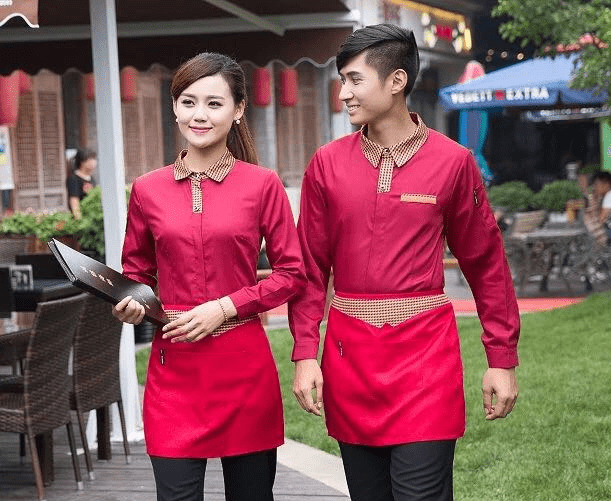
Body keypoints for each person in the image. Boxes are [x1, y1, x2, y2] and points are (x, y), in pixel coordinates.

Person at [288, 24, 520, 501]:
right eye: (342, 80)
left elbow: (486, 265)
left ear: (396, 81)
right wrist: (306, 352)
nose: (343, 93)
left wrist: (501, 359)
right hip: (350, 363)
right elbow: (309, 268)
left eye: (354, 80)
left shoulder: (453, 162)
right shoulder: (326, 164)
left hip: (426, 365)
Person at [112, 52, 305, 501]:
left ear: (238, 110)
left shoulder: (263, 184)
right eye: (188, 102)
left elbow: (292, 274)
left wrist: (225, 306)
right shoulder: (147, 189)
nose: (199, 115)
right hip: (173, 370)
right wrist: (131, 304)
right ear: (174, 107)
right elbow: (136, 272)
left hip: (243, 369)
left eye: (214, 103)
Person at [66, 148, 97, 219]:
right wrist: (79, 219)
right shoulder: (74, 179)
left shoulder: (91, 178)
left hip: (93, 217)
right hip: (84, 218)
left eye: (94, 159)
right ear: (82, 162)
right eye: (90, 159)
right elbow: (74, 201)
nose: (94, 162)